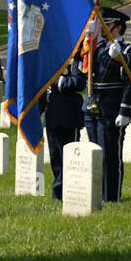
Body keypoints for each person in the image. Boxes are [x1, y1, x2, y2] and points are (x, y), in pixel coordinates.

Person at [78, 7, 131, 203]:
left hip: (111, 107)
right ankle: (96, 193)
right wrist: (85, 39)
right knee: (94, 153)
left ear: (118, 26)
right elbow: (80, 63)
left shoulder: (127, 50)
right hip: (93, 105)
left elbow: (129, 82)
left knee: (110, 154)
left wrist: (125, 109)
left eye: (106, 23)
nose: (102, 26)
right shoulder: (95, 48)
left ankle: (111, 196)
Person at [40, 60, 84, 201]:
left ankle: (62, 190)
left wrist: (56, 82)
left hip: (68, 115)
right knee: (55, 156)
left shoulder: (77, 60)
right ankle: (59, 191)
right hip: (52, 113)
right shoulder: (52, 57)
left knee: (68, 156)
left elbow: (78, 83)